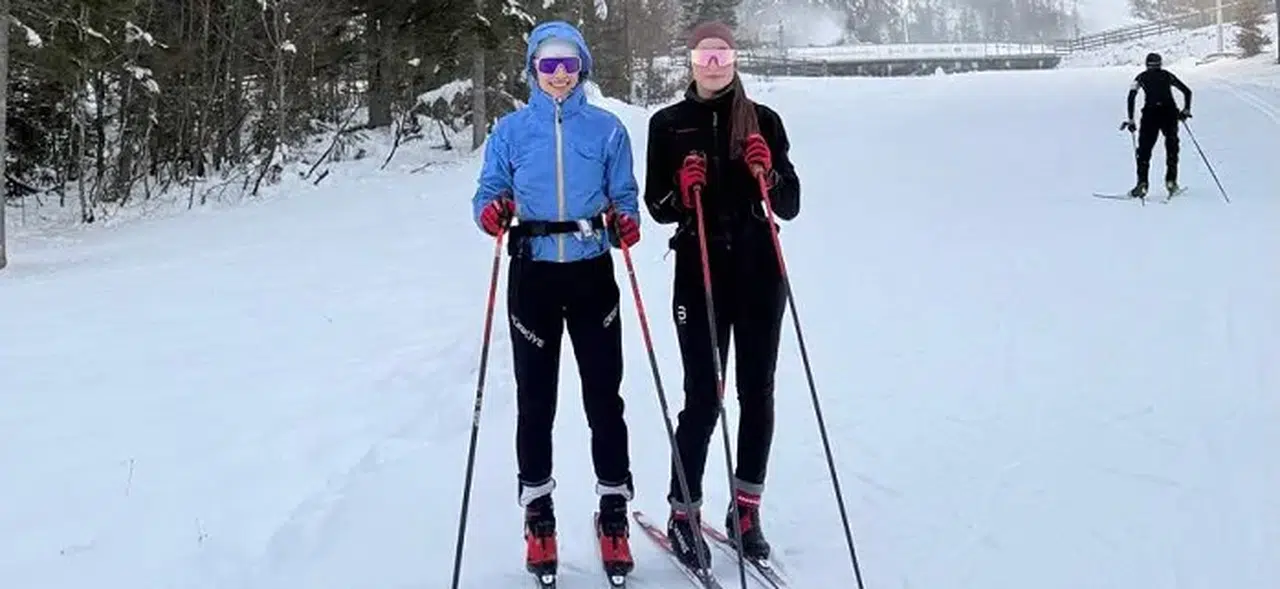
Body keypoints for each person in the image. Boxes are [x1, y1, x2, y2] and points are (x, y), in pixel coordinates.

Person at [470, 20, 643, 579]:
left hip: (592, 273)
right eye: (549, 65)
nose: (560, 74)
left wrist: (625, 222)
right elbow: (487, 191)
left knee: (603, 397)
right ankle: (538, 514)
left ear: (583, 67)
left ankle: (613, 509)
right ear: (533, 70)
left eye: (569, 64)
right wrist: (491, 211)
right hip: (535, 276)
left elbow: (625, 195)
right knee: (535, 401)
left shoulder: (607, 130)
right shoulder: (512, 132)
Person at [641, 20, 800, 570]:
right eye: (705, 54)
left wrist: (771, 172)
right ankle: (683, 514)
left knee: (758, 391)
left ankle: (746, 509)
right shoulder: (667, 124)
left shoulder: (765, 121)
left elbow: (792, 204)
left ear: (735, 58)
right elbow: (656, 204)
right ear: (691, 60)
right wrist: (683, 192)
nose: (714, 63)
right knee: (704, 397)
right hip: (699, 268)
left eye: (723, 53)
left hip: (759, 265)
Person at [1121, 52, 1192, 197]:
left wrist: (1131, 119)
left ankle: (1142, 184)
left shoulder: (1141, 77)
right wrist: (1185, 110)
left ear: (1147, 64)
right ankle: (1171, 181)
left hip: (1150, 116)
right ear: (1160, 63)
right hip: (1169, 114)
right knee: (1172, 148)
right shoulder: (1168, 76)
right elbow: (1187, 91)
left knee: (1144, 151)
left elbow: (1131, 97)